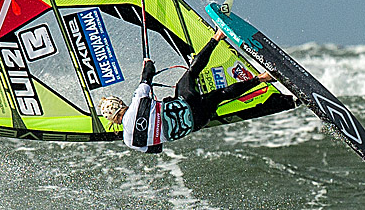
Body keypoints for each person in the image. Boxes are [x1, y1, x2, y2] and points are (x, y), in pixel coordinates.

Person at [98, 29, 273, 153]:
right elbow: (148, 74)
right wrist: (147, 63)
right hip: (188, 102)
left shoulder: (130, 143)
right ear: (119, 103)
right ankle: (218, 36)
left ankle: (263, 78)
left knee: (219, 96)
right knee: (191, 74)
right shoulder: (137, 100)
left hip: (197, 123)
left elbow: (157, 148)